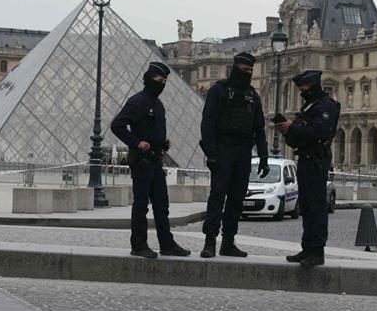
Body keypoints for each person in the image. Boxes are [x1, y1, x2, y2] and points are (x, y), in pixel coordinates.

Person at [110, 61, 191, 259]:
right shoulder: (137, 101)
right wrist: (137, 143)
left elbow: (154, 131)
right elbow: (117, 125)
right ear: (148, 79)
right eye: (159, 79)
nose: (162, 83)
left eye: (164, 81)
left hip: (156, 160)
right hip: (142, 161)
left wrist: (164, 144)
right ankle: (138, 245)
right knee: (141, 205)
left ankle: (166, 244)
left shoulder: (158, 104)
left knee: (162, 205)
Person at [199, 51, 269, 258]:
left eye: (250, 70)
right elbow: (207, 124)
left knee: (236, 199)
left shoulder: (252, 95)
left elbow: (260, 129)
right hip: (223, 150)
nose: (248, 73)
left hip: (243, 152)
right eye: (245, 69)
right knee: (217, 197)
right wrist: (211, 154)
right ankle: (210, 241)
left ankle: (228, 241)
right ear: (235, 67)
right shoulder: (218, 90)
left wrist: (264, 157)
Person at [274, 69, 340, 268]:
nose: (301, 91)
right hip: (305, 158)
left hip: (317, 160)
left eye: (303, 87)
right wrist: (287, 131)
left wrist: (293, 127)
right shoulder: (310, 106)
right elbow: (299, 138)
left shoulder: (327, 106)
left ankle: (317, 251)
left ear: (312, 86)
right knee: (307, 206)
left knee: (317, 206)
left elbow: (320, 131)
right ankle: (307, 247)